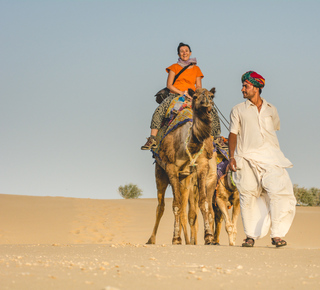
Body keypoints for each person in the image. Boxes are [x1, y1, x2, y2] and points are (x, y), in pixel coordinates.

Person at [228, 71, 296, 247]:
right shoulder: (237, 110)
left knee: (279, 193)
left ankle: (277, 235)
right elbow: (233, 134)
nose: (242, 89)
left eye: (246, 86)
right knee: (248, 195)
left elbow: (274, 129)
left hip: (272, 158)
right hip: (246, 158)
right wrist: (231, 157)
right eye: (243, 86)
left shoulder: (271, 109)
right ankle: (250, 236)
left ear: (256, 88)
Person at [141, 42, 221, 150]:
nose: (184, 53)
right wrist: (181, 92)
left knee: (211, 110)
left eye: (186, 51)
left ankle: (217, 138)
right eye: (182, 51)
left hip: (192, 96)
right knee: (159, 110)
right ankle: (152, 138)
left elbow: (198, 86)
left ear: (190, 52)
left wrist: (195, 95)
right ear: (179, 54)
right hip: (175, 95)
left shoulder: (196, 69)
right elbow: (169, 85)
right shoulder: (174, 67)